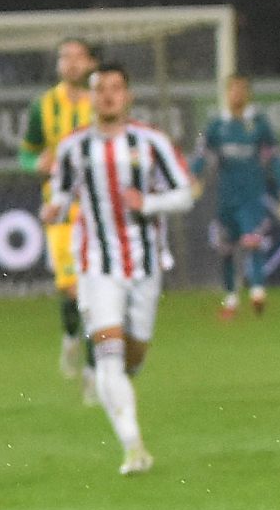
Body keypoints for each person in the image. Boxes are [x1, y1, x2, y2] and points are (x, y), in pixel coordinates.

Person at [41, 63, 195, 476]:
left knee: (133, 358)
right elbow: (59, 195)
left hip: (144, 264)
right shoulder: (73, 147)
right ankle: (134, 447)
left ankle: (115, 385)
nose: (107, 96)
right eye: (99, 89)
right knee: (109, 358)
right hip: (95, 265)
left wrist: (150, 204)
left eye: (115, 88)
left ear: (127, 96)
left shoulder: (151, 143)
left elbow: (186, 193)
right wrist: (53, 209)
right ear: (90, 98)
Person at [19, 37, 99, 403]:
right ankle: (70, 340)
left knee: (98, 293)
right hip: (61, 212)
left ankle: (92, 374)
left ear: (90, 63)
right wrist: (36, 164)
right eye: (64, 57)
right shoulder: (44, 107)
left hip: (99, 211)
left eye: (76, 57)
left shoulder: (103, 103)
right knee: (72, 291)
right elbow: (25, 156)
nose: (69, 63)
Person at [190, 73, 280, 319]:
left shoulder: (259, 124)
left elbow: (275, 159)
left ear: (248, 94)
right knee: (225, 248)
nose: (237, 94)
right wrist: (195, 179)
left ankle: (257, 292)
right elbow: (202, 154)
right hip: (226, 197)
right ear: (226, 94)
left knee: (252, 241)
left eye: (241, 90)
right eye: (232, 89)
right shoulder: (216, 125)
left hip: (252, 196)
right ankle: (231, 299)